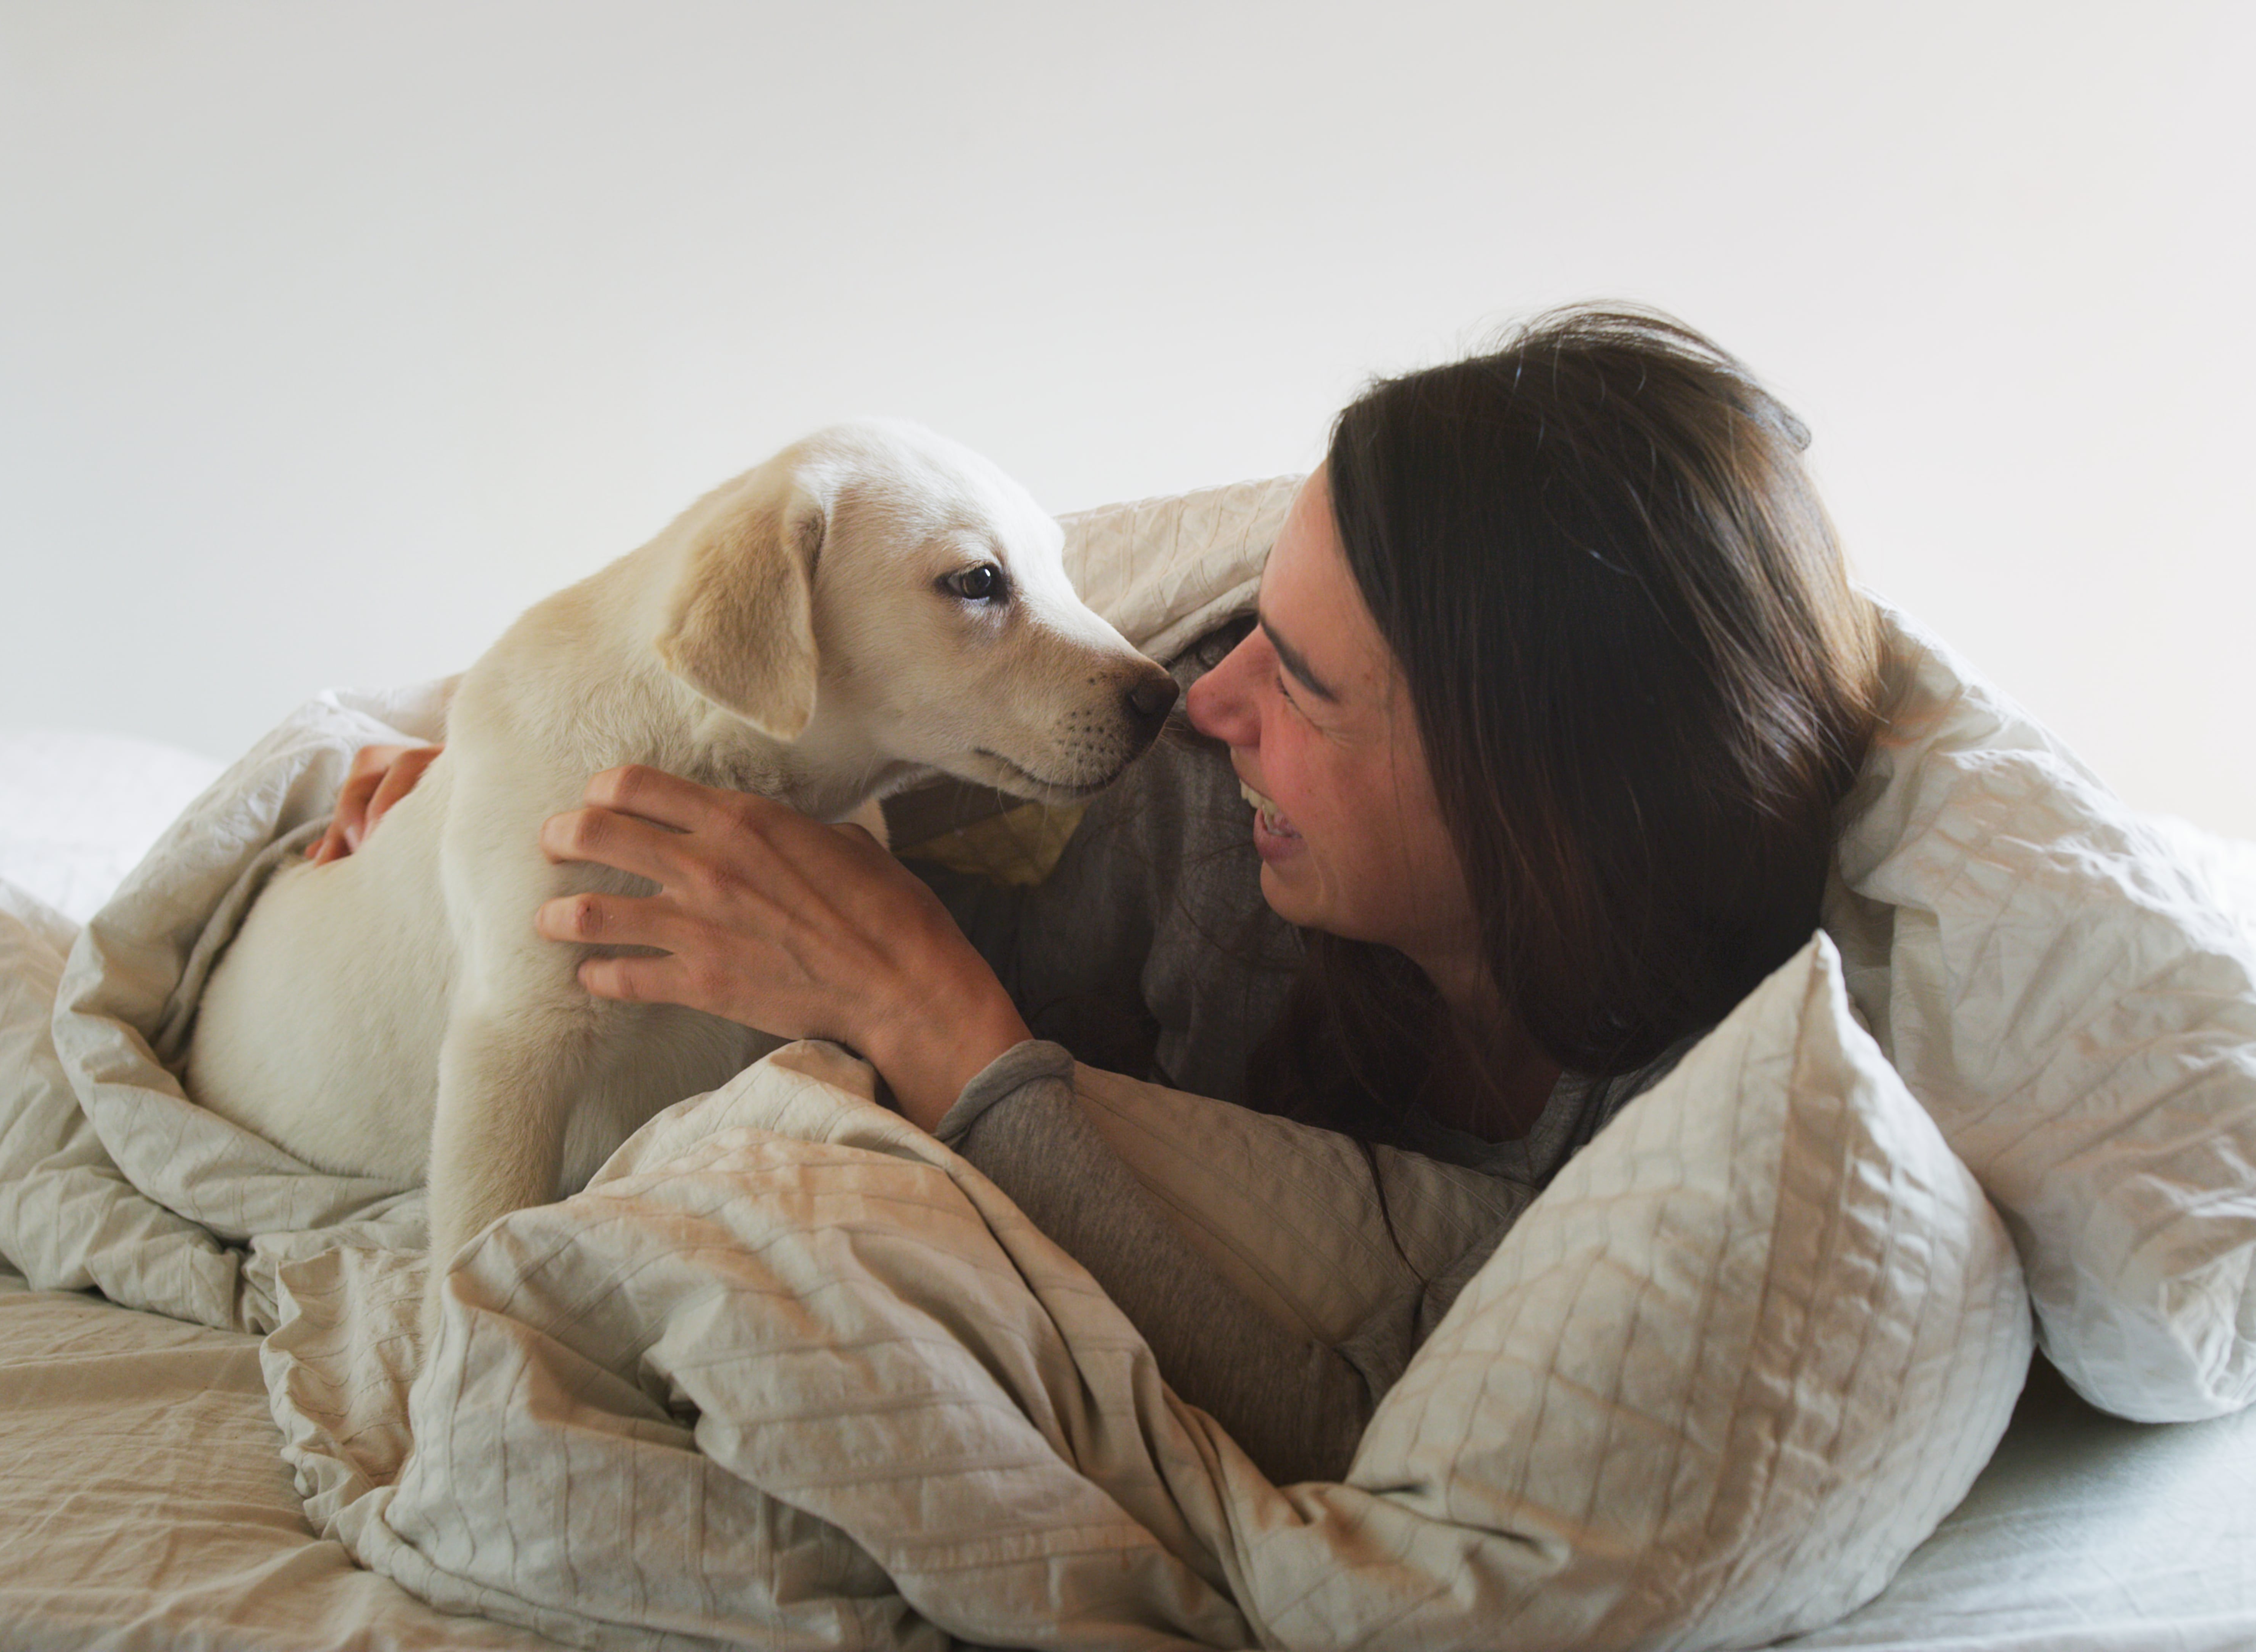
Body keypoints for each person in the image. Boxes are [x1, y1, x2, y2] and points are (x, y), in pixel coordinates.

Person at [315, 306, 1887, 1483]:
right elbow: (907, 606)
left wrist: (943, 1032)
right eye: (1251, 629)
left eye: (1313, 687)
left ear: (1522, 786)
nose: (1203, 703)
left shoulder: (1699, 1124)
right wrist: (461, 745)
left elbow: (1338, 1442)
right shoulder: (1192, 741)